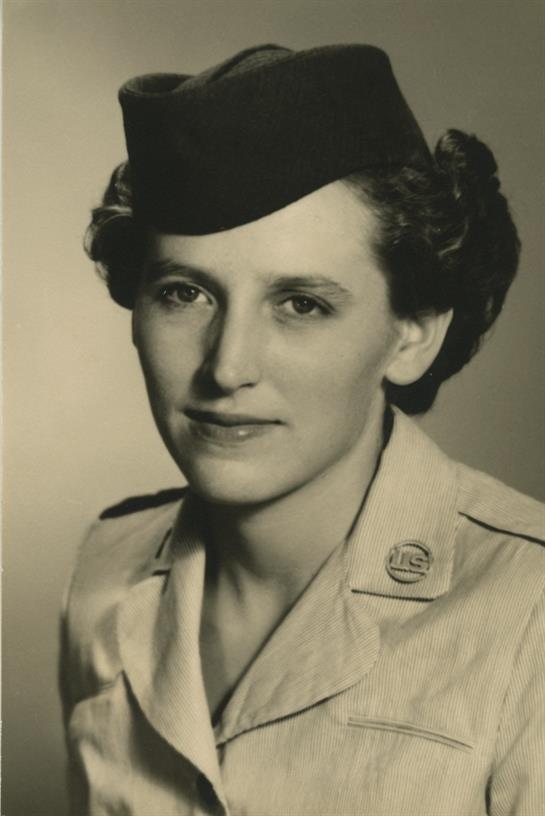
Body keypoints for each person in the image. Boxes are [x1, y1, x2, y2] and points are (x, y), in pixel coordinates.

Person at [59, 44, 545, 815]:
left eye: (301, 304)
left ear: (411, 333)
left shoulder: (530, 616)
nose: (227, 367)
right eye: (184, 293)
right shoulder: (104, 573)